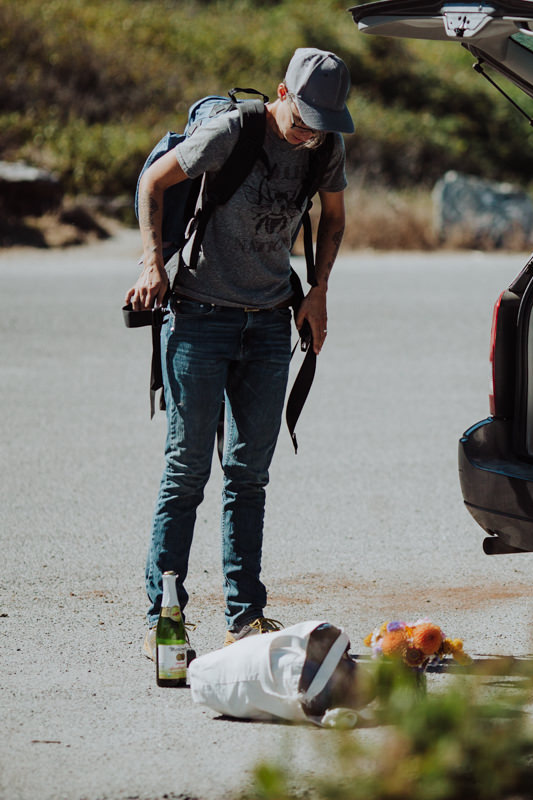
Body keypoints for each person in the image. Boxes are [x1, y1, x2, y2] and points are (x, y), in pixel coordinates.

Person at [125, 48, 353, 653]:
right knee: (187, 470)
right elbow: (154, 179)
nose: (309, 135)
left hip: (270, 325)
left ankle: (245, 615)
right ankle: (162, 616)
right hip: (200, 318)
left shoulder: (326, 144)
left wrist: (318, 292)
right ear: (281, 92)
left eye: (322, 125)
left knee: (249, 475)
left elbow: (334, 217)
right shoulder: (231, 131)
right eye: (302, 119)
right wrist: (153, 263)